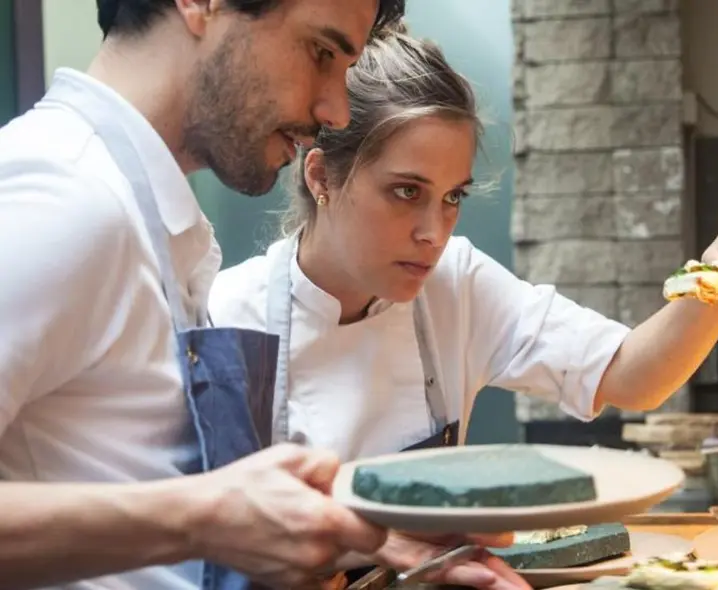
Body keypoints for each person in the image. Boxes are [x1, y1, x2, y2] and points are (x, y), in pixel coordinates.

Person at [0, 1, 524, 589]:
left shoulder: (144, 209)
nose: (334, 110)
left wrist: (370, 537)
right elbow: (200, 516)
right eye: (320, 52)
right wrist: (205, 517)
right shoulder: (61, 198)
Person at [208, 25, 718, 470]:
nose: (434, 232)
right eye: (406, 192)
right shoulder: (227, 315)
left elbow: (634, 376)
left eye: (452, 197)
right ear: (321, 177)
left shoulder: (456, 282)